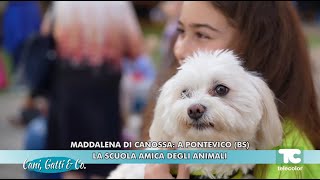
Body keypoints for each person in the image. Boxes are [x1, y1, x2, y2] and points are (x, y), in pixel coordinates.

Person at [142, 1, 320, 179]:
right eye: (180, 31)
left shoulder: (289, 156)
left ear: (259, 43)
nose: (179, 49)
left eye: (202, 34)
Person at [43, 1, 144, 179]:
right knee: (102, 163)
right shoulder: (118, 5)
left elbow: (46, 35)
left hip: (69, 85)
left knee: (71, 165)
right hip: (104, 89)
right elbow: (135, 47)